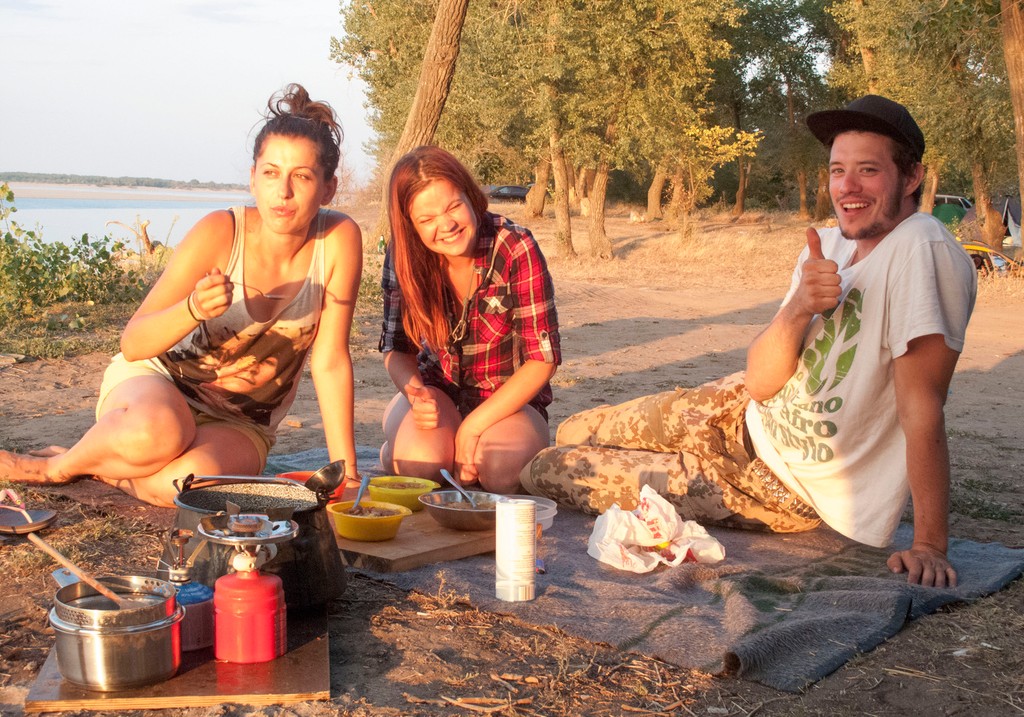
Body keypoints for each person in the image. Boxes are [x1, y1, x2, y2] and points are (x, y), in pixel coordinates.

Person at [521, 95, 977, 588]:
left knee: (542, 471)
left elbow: (922, 405)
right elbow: (761, 382)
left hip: (771, 482)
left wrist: (930, 545)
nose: (847, 186)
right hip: (736, 405)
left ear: (911, 178)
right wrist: (800, 305)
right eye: (837, 170)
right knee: (576, 428)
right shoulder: (829, 245)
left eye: (868, 170)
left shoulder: (922, 246)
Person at [0, 84, 363, 507]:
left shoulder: (339, 240)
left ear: (328, 188)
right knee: (158, 434)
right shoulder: (220, 231)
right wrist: (193, 309)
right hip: (158, 385)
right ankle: (53, 467)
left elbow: (330, 359)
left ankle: (102, 464)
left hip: (242, 422)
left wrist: (349, 475)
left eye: (302, 176)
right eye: (270, 173)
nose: (282, 191)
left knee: (184, 489)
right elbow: (134, 343)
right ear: (253, 177)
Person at [379, 146, 560, 493]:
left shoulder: (515, 246)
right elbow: (396, 347)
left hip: (508, 401)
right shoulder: (402, 257)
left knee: (499, 472)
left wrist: (472, 428)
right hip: (438, 388)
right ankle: (399, 452)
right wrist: (416, 394)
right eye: (427, 220)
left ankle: (460, 445)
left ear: (471, 196)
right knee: (419, 469)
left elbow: (543, 359)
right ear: (410, 225)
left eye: (453, 207)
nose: (446, 225)